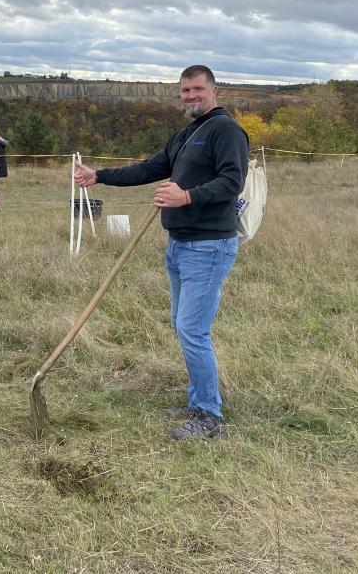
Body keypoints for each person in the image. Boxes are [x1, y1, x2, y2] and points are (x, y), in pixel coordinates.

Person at [74, 65, 248, 440]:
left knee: (192, 330)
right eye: (185, 90)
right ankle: (198, 400)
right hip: (179, 244)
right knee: (183, 326)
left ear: (214, 90)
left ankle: (208, 416)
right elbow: (151, 168)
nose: (190, 96)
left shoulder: (226, 130)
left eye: (197, 89)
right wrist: (99, 176)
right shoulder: (188, 133)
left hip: (209, 244)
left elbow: (232, 181)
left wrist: (187, 195)